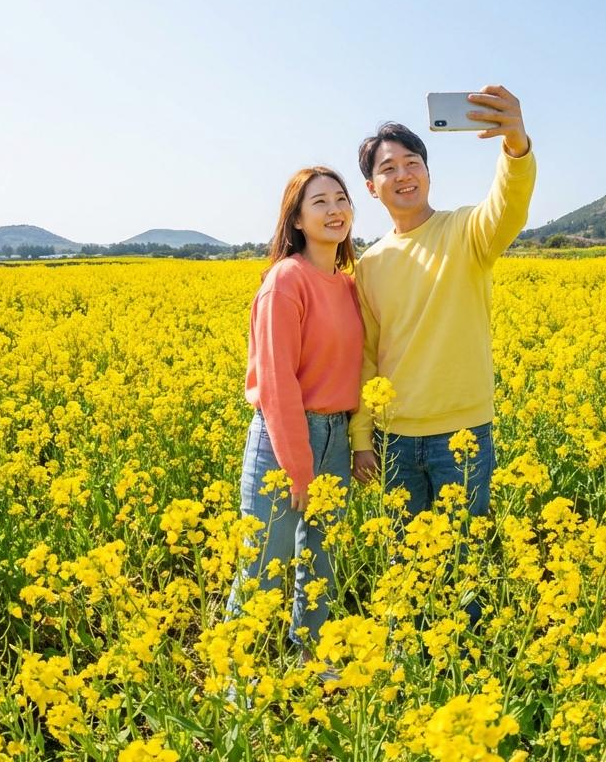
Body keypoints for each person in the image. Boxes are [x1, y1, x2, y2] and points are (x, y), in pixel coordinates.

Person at [349, 85, 535, 528]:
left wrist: (516, 144)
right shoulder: (369, 264)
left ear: (429, 174)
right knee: (406, 562)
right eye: (388, 168)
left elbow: (509, 206)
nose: (403, 175)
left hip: (463, 434)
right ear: (372, 188)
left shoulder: (468, 231)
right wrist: (361, 438)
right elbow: (367, 357)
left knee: (466, 556)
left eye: (413, 163)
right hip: (394, 438)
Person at [226, 166, 363, 662]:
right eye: (319, 202)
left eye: (341, 199)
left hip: (336, 434)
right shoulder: (285, 281)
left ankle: (310, 659)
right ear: (298, 220)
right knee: (263, 565)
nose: (334, 210)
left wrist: (357, 440)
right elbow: (277, 382)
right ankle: (236, 681)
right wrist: (298, 465)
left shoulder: (349, 286)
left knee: (320, 561)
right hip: (284, 436)